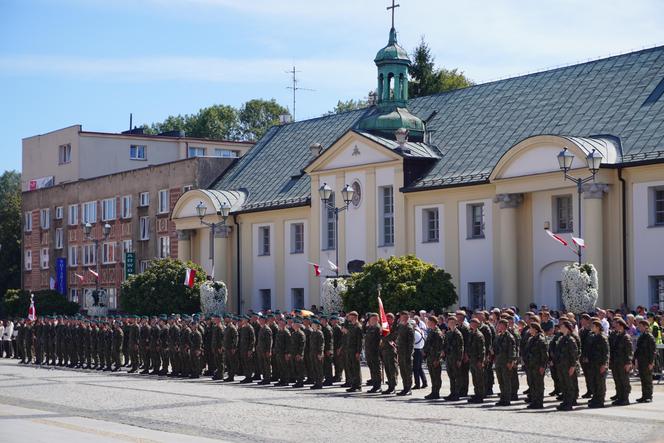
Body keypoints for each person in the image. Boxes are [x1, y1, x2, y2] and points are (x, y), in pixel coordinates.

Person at [555, 321, 578, 411]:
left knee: (569, 385)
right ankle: (565, 401)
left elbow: (574, 354)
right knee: (563, 385)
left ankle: (569, 403)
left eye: (562, 326)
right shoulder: (562, 338)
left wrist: (572, 366)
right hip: (561, 366)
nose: (560, 328)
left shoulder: (570, 340)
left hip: (568, 366)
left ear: (567, 328)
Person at [610, 318, 633, 406]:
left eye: (617, 325)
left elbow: (629, 352)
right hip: (616, 362)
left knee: (624, 381)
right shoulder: (617, 336)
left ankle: (625, 398)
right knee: (618, 380)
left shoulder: (626, 337)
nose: (615, 326)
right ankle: (620, 398)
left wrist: (628, 363)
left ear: (621, 325)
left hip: (623, 363)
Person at [525, 322, 547, 409]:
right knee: (532, 384)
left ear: (535, 329)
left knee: (538, 384)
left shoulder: (540, 339)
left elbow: (544, 354)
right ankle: (534, 401)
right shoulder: (531, 339)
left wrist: (543, 366)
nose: (529, 330)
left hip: (538, 365)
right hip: (531, 365)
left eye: (530, 328)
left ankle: (539, 402)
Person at [494, 319, 516, 406]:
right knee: (501, 381)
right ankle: (502, 398)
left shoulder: (509, 337)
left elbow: (512, 350)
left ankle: (507, 399)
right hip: (499, 361)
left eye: (501, 325)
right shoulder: (499, 336)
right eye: (499, 325)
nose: (499, 327)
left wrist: (511, 361)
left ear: (505, 326)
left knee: (506, 381)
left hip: (506, 362)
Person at [634, 319, 656, 403]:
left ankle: (648, 396)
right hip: (641, 360)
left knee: (648, 379)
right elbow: (638, 349)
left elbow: (652, 351)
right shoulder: (642, 336)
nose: (639, 327)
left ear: (645, 326)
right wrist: (634, 358)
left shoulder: (649, 337)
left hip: (647, 361)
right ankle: (644, 395)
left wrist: (651, 362)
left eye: (640, 326)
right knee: (643, 379)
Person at [423, 316, 443, 400]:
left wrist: (437, 359)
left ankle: (436, 392)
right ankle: (433, 391)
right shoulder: (432, 331)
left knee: (436, 376)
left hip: (435, 358)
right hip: (430, 357)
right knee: (432, 376)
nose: (427, 323)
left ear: (433, 322)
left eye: (428, 321)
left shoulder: (437, 333)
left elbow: (439, 348)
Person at [444, 316, 464, 401]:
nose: (451, 324)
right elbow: (445, 345)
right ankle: (452, 393)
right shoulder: (448, 333)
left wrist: (459, 359)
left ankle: (457, 394)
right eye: (449, 322)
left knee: (457, 376)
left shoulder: (458, 334)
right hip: (449, 357)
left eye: (452, 322)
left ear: (456, 323)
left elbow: (461, 347)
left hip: (455, 357)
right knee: (451, 376)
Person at [467, 318, 486, 403]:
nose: (471, 324)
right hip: (472, 359)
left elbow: (482, 350)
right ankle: (476, 394)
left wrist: (481, 361)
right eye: (471, 323)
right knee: (475, 378)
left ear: (476, 324)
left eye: (472, 323)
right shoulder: (471, 333)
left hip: (477, 360)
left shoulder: (479, 335)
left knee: (479, 379)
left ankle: (480, 396)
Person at [344, 311, 363, 392]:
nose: (349, 318)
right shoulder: (351, 326)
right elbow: (345, 327)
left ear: (355, 317)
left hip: (355, 350)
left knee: (356, 368)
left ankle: (358, 385)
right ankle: (353, 384)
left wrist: (358, 352)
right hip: (349, 350)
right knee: (350, 368)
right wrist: (346, 319)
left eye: (350, 316)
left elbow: (360, 341)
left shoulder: (358, 327)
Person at [396, 311, 414, 396]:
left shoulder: (409, 327)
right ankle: (405, 387)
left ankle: (408, 388)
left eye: (405, 317)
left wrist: (409, 354)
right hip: (401, 352)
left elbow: (411, 343)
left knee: (408, 372)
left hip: (407, 353)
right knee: (403, 371)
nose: (403, 318)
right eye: (402, 317)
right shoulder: (400, 326)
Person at [363, 313, 382, 393]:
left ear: (377, 319)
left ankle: (378, 386)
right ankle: (374, 385)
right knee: (372, 369)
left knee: (376, 369)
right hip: (369, 351)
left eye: (373, 319)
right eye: (370, 319)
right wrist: (365, 321)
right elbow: (363, 329)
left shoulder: (378, 328)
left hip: (375, 352)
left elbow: (380, 340)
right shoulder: (369, 327)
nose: (372, 320)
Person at [380, 313, 399, 395]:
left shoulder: (395, 328)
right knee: (387, 369)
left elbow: (391, 336)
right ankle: (390, 385)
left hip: (391, 350)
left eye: (390, 318)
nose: (387, 320)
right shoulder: (385, 328)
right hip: (385, 350)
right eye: (386, 318)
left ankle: (393, 386)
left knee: (392, 369)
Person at [309, 319, 325, 390]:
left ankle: (319, 383)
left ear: (316, 325)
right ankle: (316, 382)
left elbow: (321, 344)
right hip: (313, 352)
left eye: (313, 324)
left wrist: (320, 353)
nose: (311, 325)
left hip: (317, 353)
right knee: (314, 368)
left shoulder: (319, 333)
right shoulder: (313, 332)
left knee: (318, 368)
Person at [412, 320, 427, 390]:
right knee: (419, 368)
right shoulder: (420, 330)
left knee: (415, 368)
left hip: (416, 351)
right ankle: (424, 382)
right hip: (421, 350)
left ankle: (417, 384)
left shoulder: (414, 332)